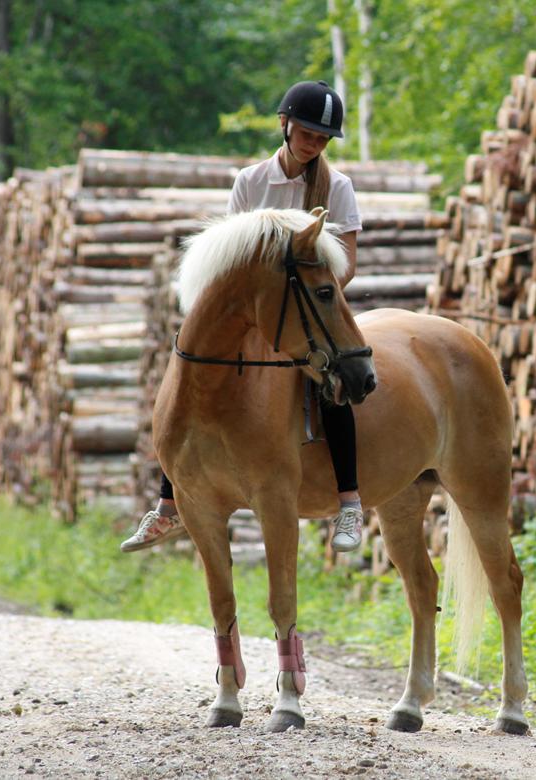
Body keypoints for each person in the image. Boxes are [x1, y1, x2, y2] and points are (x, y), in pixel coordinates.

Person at [120, 80, 366, 555]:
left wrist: (305, 300)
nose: (314, 145)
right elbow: (227, 258)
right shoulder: (250, 181)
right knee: (187, 374)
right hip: (252, 313)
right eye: (307, 134)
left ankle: (349, 500)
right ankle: (168, 502)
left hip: (307, 311)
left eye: (322, 139)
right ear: (285, 125)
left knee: (332, 382)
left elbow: (347, 263)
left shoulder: (338, 187)